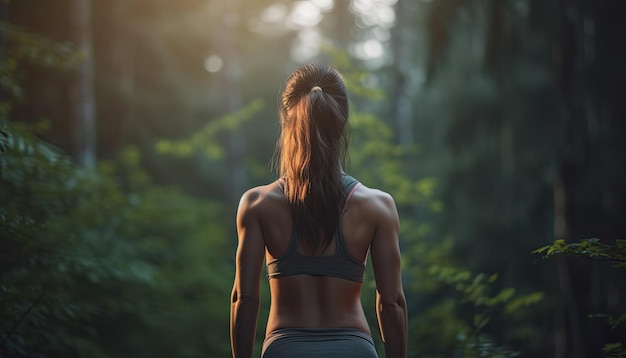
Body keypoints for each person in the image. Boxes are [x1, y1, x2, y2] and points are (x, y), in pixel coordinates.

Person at [230, 64, 407, 358]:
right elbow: (392, 303)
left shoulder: (257, 203)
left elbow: (243, 299)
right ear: (341, 121)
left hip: (285, 349)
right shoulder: (377, 206)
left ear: (287, 120)